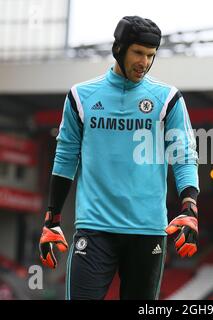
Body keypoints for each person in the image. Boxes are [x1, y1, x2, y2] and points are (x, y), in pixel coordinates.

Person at [38, 16, 199, 300]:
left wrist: (190, 207)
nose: (145, 62)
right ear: (119, 49)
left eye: (151, 55)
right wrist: (52, 219)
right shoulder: (80, 97)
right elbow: (65, 157)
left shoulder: (168, 99)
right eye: (138, 53)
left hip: (148, 231)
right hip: (94, 229)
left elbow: (184, 154)